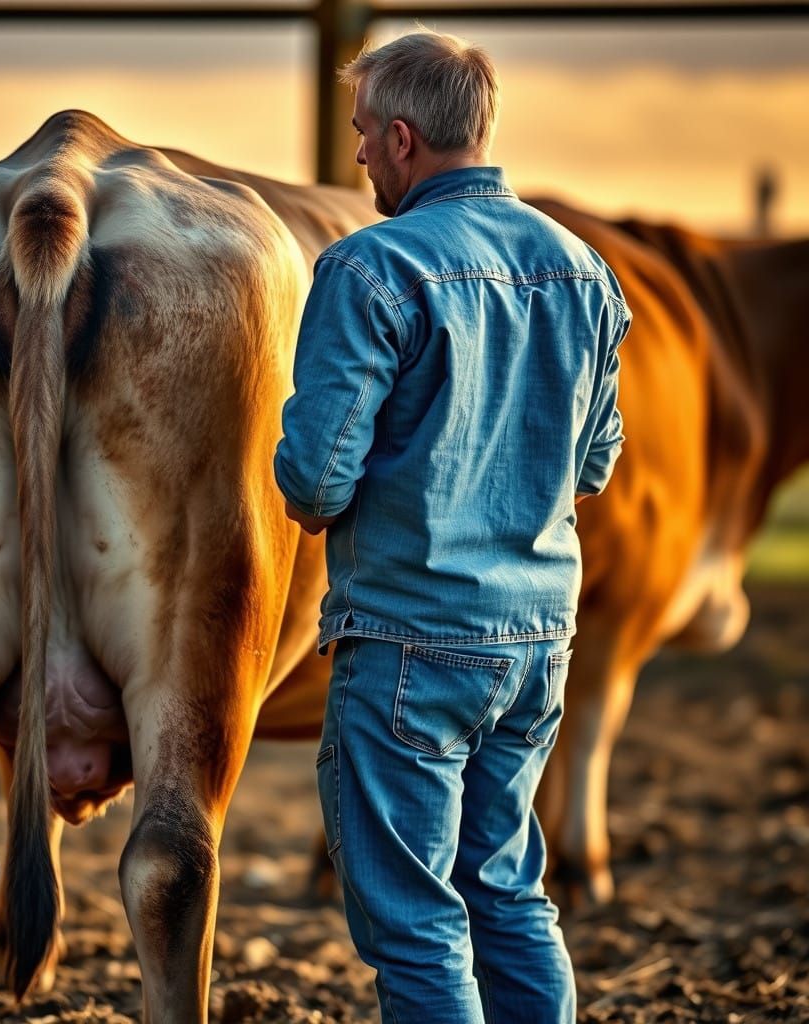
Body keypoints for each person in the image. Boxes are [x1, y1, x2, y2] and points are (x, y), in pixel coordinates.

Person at [272, 29, 631, 1024]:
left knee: (415, 918)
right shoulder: (583, 269)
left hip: (407, 639)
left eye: (359, 136)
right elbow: (593, 463)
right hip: (535, 640)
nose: (354, 159)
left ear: (400, 138)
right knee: (509, 892)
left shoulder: (370, 268)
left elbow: (313, 478)